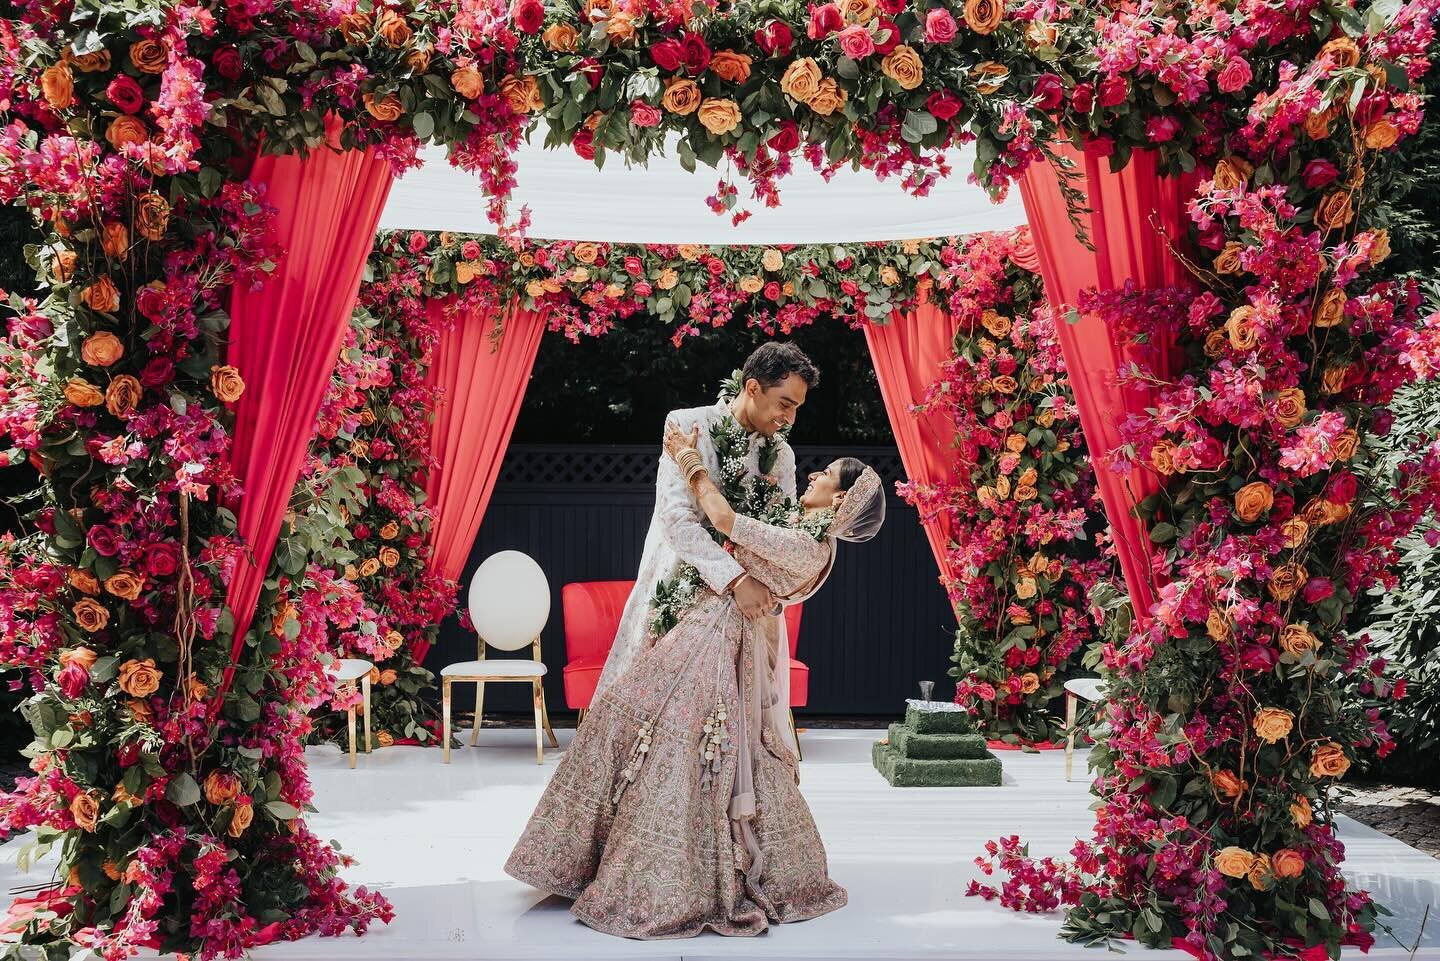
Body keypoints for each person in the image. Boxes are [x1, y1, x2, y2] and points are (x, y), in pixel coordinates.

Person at [505, 416, 885, 938]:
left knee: (683, 741)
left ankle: (672, 876)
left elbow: (726, 521)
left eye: (827, 475)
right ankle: (587, 859)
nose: (815, 474)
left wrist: (688, 461)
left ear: (839, 503)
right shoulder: (799, 531)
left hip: (719, 635)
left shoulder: (809, 547)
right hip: (711, 623)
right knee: (641, 723)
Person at [590, 342, 819, 700]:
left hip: (747, 609)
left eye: (796, 408)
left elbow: (779, 534)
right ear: (753, 387)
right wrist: (734, 579)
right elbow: (675, 519)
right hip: (676, 585)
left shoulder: (782, 456)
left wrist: (750, 585)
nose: (790, 419)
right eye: (785, 404)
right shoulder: (686, 424)